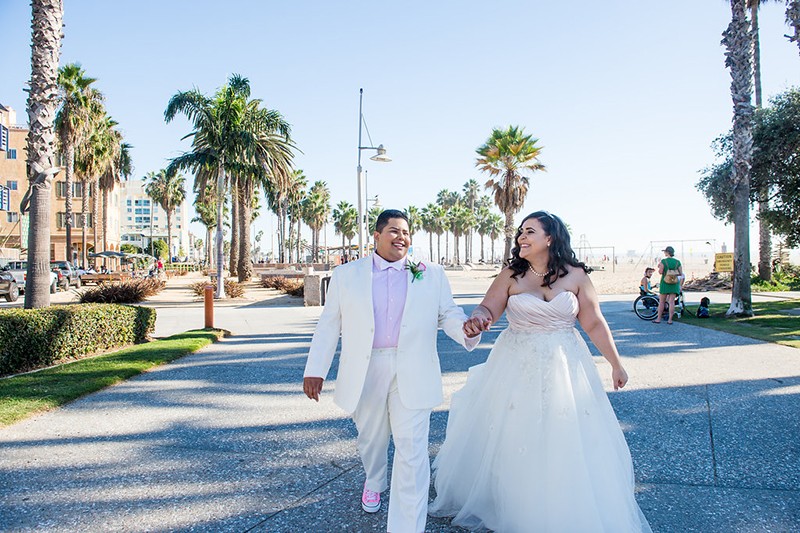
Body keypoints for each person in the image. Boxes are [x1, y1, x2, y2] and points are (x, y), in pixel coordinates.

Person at [429, 211, 651, 532]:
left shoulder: (576, 275)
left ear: (550, 238)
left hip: (565, 364)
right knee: (516, 432)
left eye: (529, 231)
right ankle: (513, 503)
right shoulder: (511, 274)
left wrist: (616, 363)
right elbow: (488, 307)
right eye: (520, 231)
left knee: (565, 434)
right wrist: (479, 318)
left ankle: (561, 504)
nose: (521, 236)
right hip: (515, 364)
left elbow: (593, 322)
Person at [303, 209, 480, 533]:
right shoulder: (347, 275)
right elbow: (329, 325)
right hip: (366, 366)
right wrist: (316, 369)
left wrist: (465, 330)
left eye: (406, 232)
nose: (402, 237)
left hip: (413, 369)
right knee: (371, 437)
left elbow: (448, 314)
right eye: (394, 231)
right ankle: (374, 479)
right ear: (377, 236)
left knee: (412, 451)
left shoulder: (431, 273)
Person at [654, 246, 682, 324]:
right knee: (671, 302)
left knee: (662, 302)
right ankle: (670, 320)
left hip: (665, 283)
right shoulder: (677, 262)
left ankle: (658, 319)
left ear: (667, 252)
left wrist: (660, 267)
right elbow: (680, 273)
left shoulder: (664, 261)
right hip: (674, 283)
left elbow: (660, 272)